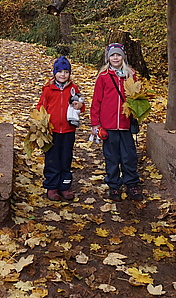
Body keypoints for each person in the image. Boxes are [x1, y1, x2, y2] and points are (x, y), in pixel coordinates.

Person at [90, 43, 143, 202]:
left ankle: (132, 183)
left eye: (118, 55)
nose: (115, 58)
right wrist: (95, 123)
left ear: (123, 57)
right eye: (112, 55)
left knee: (129, 156)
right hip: (109, 125)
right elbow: (96, 101)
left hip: (125, 125)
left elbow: (137, 97)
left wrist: (137, 113)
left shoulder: (130, 75)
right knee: (112, 157)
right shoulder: (104, 76)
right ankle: (114, 185)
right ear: (108, 58)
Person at [36, 56, 84, 201]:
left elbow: (80, 105)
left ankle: (65, 186)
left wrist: (80, 107)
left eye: (66, 72)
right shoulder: (48, 89)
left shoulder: (73, 89)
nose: (63, 75)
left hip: (69, 130)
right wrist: (41, 122)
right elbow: (41, 107)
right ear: (54, 73)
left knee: (66, 158)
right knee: (52, 158)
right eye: (60, 72)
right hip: (52, 130)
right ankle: (51, 186)